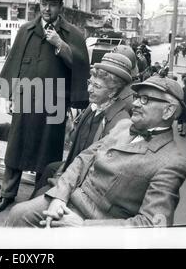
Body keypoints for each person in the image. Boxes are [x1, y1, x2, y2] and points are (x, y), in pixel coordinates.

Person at [6, 76, 186, 227]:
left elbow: (152, 225)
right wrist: (60, 196)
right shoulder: (123, 126)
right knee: (18, 214)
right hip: (69, 198)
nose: (136, 104)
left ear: (168, 111)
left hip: (97, 223)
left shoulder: (171, 162)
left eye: (146, 99)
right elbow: (83, 159)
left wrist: (84, 228)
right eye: (137, 97)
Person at [0, 0, 90, 213]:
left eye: (52, 5)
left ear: (60, 6)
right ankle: (7, 194)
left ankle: (37, 197)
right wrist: (9, 94)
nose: (47, 9)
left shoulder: (73, 34)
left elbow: (81, 67)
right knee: (16, 147)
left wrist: (60, 44)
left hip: (54, 101)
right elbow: (14, 62)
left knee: (47, 153)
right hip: (26, 97)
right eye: (43, 4)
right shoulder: (26, 30)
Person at [31, 52, 132, 198]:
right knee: (49, 168)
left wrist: (62, 182)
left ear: (113, 92)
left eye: (96, 86)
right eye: (89, 83)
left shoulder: (120, 123)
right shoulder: (93, 107)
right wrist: (70, 130)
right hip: (74, 169)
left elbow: (100, 174)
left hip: (86, 186)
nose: (89, 89)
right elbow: (77, 143)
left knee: (33, 201)